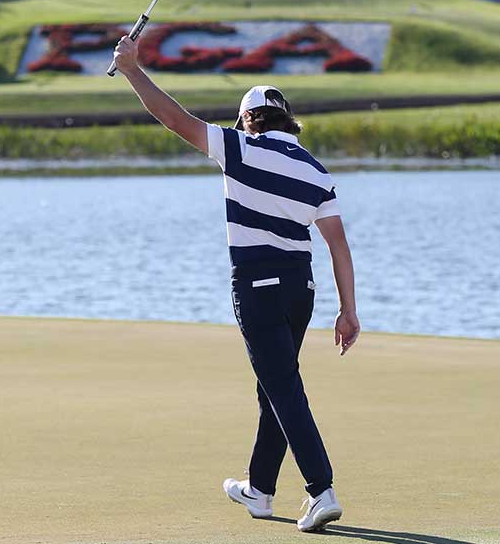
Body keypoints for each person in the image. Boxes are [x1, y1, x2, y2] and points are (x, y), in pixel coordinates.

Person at [110, 36, 361, 533]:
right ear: (288, 119)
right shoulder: (316, 171)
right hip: (302, 292)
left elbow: (175, 119)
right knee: (275, 387)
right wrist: (348, 312)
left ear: (248, 120)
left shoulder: (240, 147)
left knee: (284, 389)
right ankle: (260, 491)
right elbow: (338, 246)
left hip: (259, 287)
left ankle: (321, 490)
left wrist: (133, 70)